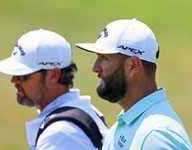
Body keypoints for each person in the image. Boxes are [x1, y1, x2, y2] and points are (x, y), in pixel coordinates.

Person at [75, 18, 192, 149]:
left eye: (104, 58)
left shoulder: (156, 137)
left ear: (133, 66)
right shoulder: (122, 127)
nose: (95, 68)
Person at [0, 29, 108, 150]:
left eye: (23, 75)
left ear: (53, 76)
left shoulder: (59, 135)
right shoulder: (84, 110)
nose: (14, 80)